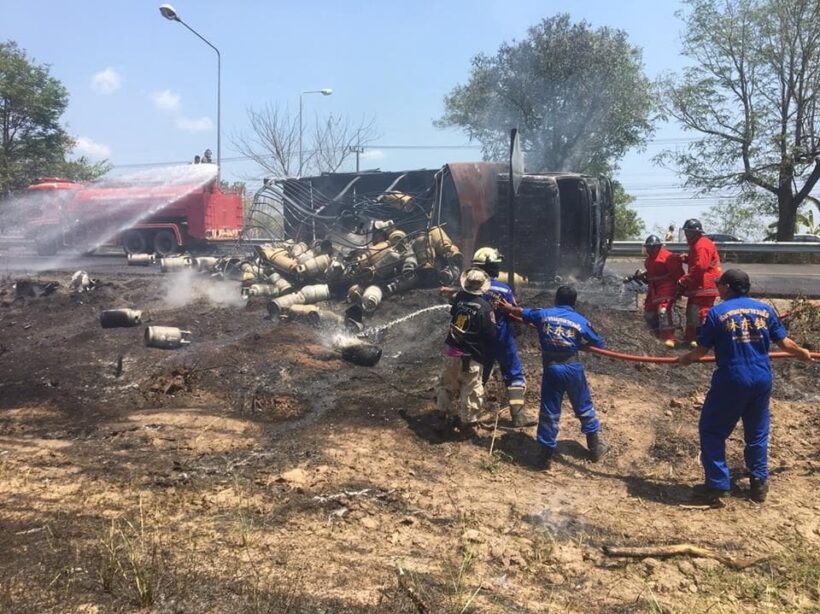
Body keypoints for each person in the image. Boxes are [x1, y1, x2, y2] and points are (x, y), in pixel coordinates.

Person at [678, 269, 812, 504]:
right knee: (757, 431)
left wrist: (684, 359)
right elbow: (785, 342)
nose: (717, 288)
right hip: (762, 378)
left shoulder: (717, 313)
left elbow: (700, 351)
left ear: (728, 287)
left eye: (720, 285)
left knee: (711, 429)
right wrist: (801, 353)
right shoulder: (765, 310)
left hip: (732, 378)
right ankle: (759, 483)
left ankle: (718, 484)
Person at [499, 286, 608, 469]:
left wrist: (507, 308)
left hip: (552, 369)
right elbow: (599, 343)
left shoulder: (543, 315)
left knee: (550, 411)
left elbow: (521, 312)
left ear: (556, 300)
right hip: (573, 368)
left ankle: (544, 457)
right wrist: (579, 343)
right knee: (583, 405)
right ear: (574, 303)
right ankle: (595, 446)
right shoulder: (580, 321)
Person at [471, 247, 535, 427]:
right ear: (489, 267)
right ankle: (519, 416)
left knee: (478, 376)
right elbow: (513, 310)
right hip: (502, 338)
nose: (498, 268)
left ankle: (470, 414)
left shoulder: (471, 288)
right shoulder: (503, 289)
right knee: (514, 374)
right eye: (496, 265)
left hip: (480, 339)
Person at [436, 268, 497, 438]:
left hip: (451, 352)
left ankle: (441, 415)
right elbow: (491, 335)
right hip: (471, 357)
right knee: (470, 390)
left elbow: (456, 301)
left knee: (446, 384)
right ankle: (465, 424)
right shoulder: (485, 308)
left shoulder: (460, 301)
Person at [677, 218, 721, 346]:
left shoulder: (701, 245)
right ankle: (691, 339)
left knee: (701, 313)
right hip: (699, 285)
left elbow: (701, 266)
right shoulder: (697, 244)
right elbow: (696, 261)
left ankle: (705, 341)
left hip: (704, 285)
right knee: (692, 312)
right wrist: (686, 258)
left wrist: (684, 280)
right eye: (686, 232)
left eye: (688, 232)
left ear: (695, 233)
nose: (686, 235)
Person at [642, 235, 685, 348]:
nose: (651, 250)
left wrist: (680, 289)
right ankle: (655, 334)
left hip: (667, 286)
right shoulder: (648, 260)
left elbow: (679, 275)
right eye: (649, 247)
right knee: (649, 312)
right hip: (654, 288)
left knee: (663, 310)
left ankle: (669, 337)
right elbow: (651, 275)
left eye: (653, 247)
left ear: (659, 247)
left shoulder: (668, 257)